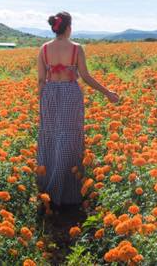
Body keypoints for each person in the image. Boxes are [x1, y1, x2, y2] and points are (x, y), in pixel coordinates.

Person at [36, 11, 119, 210]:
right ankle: (69, 194)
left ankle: (48, 190)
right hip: (70, 94)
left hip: (49, 94)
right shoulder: (76, 48)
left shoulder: (44, 49)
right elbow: (86, 77)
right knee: (70, 138)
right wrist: (107, 92)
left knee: (51, 137)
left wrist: (42, 102)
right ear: (68, 27)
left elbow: (40, 80)